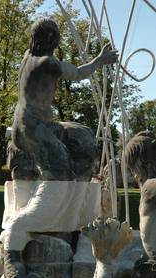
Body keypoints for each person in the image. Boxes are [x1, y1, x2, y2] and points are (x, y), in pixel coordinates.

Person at [8, 18, 118, 181]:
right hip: (33, 129)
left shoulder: (27, 56)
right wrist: (100, 60)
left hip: (24, 126)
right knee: (60, 167)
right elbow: (78, 73)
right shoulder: (47, 63)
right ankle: (52, 202)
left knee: (80, 133)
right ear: (52, 38)